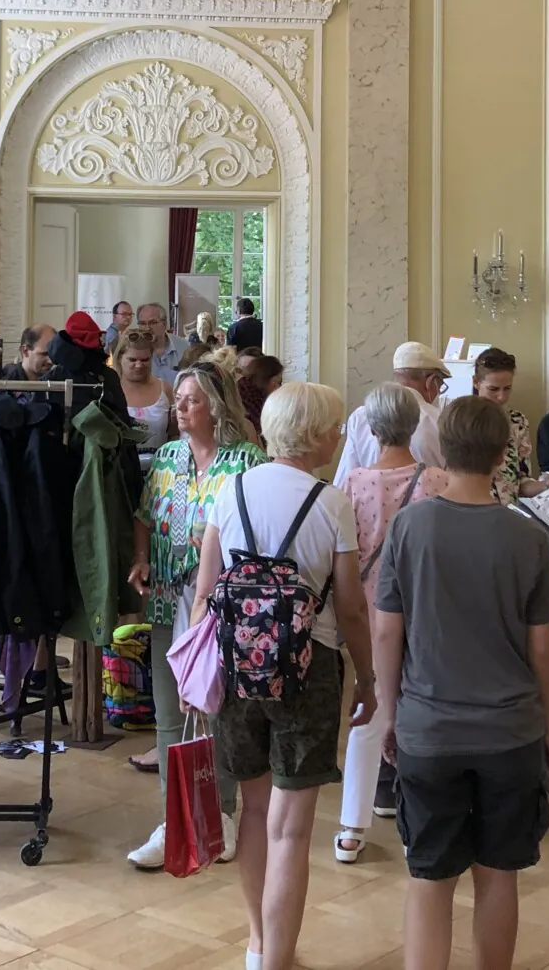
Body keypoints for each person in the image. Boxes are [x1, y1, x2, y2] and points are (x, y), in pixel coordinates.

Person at [373, 396, 549, 970]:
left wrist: (389, 714)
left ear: (440, 451)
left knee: (429, 877)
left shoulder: (409, 526)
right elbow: (542, 648)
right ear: (504, 455)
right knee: (499, 874)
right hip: (510, 730)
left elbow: (386, 632)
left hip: (429, 727)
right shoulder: (527, 538)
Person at [194, 381, 372, 970]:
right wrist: (368, 677)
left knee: (253, 811)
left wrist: (196, 673)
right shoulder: (331, 502)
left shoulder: (232, 490)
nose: (340, 436)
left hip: (235, 664)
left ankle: (258, 945)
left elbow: (205, 593)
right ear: (315, 434)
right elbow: (350, 608)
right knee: (290, 830)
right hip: (307, 668)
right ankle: (280, 960)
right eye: (336, 427)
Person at [126, 361, 265, 867]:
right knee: (168, 713)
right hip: (169, 597)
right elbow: (144, 516)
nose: (180, 408)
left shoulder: (244, 460)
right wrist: (141, 559)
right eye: (179, 400)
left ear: (217, 406)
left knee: (217, 710)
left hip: (222, 606)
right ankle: (175, 817)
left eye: (192, 400)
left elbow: (257, 527)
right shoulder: (166, 457)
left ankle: (221, 813)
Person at [333, 383, 446, 864]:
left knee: (368, 713)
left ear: (372, 430)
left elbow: (342, 556)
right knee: (419, 716)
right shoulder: (437, 482)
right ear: (415, 425)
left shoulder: (352, 484)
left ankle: (351, 829)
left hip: (367, 613)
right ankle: (416, 824)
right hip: (423, 612)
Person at [334, 342, 445, 486]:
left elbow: (344, 480)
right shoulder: (440, 421)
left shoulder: (361, 416)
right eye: (440, 386)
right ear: (431, 381)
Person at [471, 348, 537, 499]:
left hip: (509, 510)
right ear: (476, 382)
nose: (501, 397)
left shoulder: (518, 422)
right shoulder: (462, 422)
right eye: (493, 389)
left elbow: (523, 481)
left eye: (507, 388)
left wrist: (546, 486)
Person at [116, 328, 174, 460]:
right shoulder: (109, 391)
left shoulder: (165, 390)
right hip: (120, 469)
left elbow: (175, 435)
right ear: (120, 358)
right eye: (132, 360)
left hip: (160, 467)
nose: (139, 365)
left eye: (145, 360)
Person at [238, 352, 285, 436]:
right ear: (266, 379)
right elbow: (265, 431)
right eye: (278, 382)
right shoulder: (252, 400)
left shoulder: (244, 387)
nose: (279, 387)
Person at [138, 301, 184, 375]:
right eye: (142, 323)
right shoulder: (134, 351)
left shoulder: (184, 347)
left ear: (164, 323)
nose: (147, 328)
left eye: (153, 323)